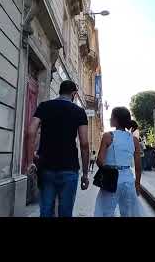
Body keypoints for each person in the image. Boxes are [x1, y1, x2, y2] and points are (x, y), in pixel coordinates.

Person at [27, 80, 90, 217]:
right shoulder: (79, 112)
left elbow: (31, 132)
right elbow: (84, 144)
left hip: (46, 167)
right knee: (65, 212)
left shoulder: (44, 106)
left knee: (46, 210)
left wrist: (30, 159)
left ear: (60, 91)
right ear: (73, 94)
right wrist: (85, 174)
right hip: (69, 167)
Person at [94, 107, 144, 217]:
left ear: (116, 119)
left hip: (111, 179)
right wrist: (137, 183)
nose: (110, 119)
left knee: (106, 212)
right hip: (128, 180)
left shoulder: (108, 136)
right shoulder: (134, 140)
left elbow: (99, 161)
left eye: (111, 116)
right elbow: (138, 166)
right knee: (128, 213)